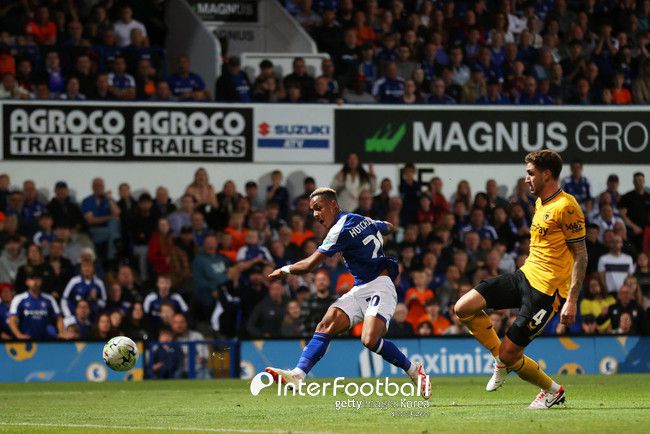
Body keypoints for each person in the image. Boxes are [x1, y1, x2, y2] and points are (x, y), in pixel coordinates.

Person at [265, 187, 431, 399]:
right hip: (360, 288)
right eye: (313, 210)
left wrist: (284, 270)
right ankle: (298, 374)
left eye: (318, 208)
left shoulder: (339, 229)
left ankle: (414, 370)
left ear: (333, 204)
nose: (315, 214)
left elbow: (309, 265)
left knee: (369, 340)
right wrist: (382, 227)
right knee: (326, 323)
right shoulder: (361, 219)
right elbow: (388, 226)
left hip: (381, 286)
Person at [454, 150, 587, 409]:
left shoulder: (567, 207)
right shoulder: (540, 202)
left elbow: (581, 255)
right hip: (524, 275)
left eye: (530, 173)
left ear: (547, 174)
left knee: (510, 354)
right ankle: (502, 362)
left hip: (546, 293)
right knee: (463, 307)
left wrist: (572, 300)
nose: (526, 178)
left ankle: (549, 389)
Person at [8, 268, 64, 340]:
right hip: (26, 341)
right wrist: (18, 335)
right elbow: (12, 320)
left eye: (37, 279)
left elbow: (59, 318)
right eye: (32, 279)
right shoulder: (19, 299)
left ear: (41, 281)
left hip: (47, 341)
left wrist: (61, 333)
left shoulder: (49, 299)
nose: (35, 282)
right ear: (27, 282)